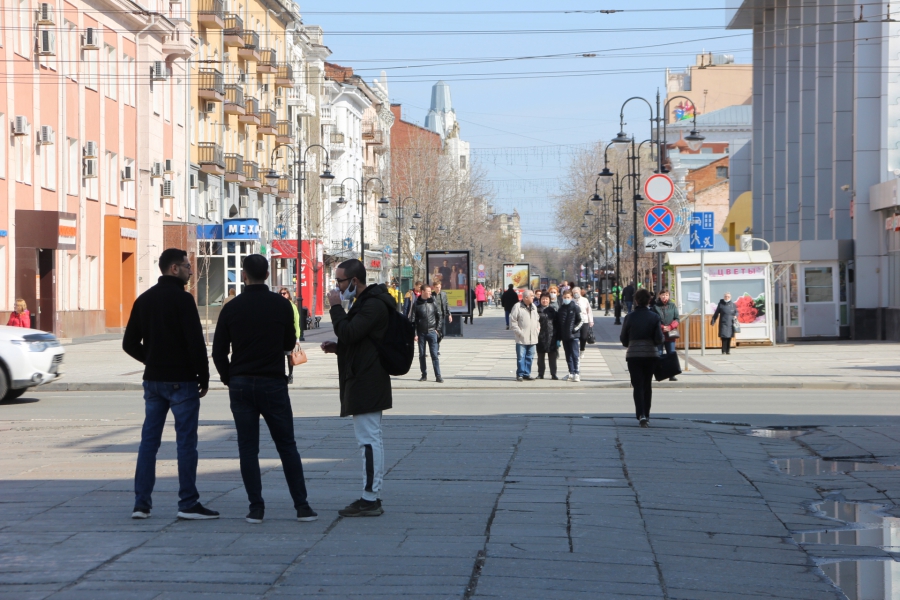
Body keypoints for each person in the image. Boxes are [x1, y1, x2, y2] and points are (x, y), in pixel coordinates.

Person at [213, 256, 317, 524]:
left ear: (244, 275)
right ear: (268, 274)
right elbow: (288, 342)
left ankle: (256, 508)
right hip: (273, 381)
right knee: (287, 445)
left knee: (248, 448)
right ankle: (302, 506)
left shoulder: (231, 308)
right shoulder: (281, 305)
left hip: (241, 383)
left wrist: (229, 378)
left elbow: (218, 351)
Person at [123, 248, 218, 521]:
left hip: (153, 381)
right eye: (187, 266)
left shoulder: (144, 299)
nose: (191, 271)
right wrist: (204, 376)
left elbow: (129, 343)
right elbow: (195, 343)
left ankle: (141, 504)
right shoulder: (183, 299)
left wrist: (152, 360)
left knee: (148, 443)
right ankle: (188, 502)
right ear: (174, 268)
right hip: (182, 381)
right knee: (186, 443)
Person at [321, 258, 395, 517]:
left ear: (354, 281)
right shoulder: (365, 303)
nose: (337, 287)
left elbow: (350, 333)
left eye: (340, 281)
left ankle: (370, 497)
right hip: (364, 376)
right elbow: (358, 340)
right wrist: (339, 349)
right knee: (369, 438)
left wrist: (335, 308)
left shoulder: (372, 304)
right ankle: (369, 495)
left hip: (368, 380)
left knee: (369, 440)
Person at [620, 288, 664, 428]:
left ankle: (641, 414)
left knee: (637, 385)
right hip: (650, 354)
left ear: (636, 300)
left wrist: (630, 343)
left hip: (634, 355)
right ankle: (647, 414)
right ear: (649, 300)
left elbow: (623, 339)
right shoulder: (654, 317)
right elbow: (659, 339)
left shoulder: (629, 317)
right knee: (647, 385)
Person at [411, 285, 443, 383]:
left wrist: (437, 329)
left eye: (430, 291)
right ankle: (424, 375)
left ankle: (438, 376)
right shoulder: (416, 304)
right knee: (421, 355)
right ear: (423, 292)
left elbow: (439, 316)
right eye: (428, 291)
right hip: (421, 333)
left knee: (434, 355)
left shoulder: (433, 302)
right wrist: (415, 334)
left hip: (432, 332)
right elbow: (412, 320)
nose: (430, 293)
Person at [509, 289, 540, 382]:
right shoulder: (517, 306)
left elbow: (537, 320)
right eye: (532, 296)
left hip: (533, 337)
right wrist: (519, 332)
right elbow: (513, 321)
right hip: (522, 337)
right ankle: (520, 374)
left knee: (530, 357)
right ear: (526, 297)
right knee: (521, 357)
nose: (533, 297)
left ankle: (527, 373)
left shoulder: (534, 306)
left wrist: (537, 329)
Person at [555, 289, 584, 382]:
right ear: (562, 298)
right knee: (568, 355)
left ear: (571, 298)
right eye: (565, 297)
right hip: (565, 336)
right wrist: (559, 337)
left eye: (568, 297)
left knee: (575, 355)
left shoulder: (576, 308)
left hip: (574, 336)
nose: (566, 299)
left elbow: (581, 320)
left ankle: (577, 373)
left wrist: (574, 329)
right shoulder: (561, 309)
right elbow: (559, 324)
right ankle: (571, 372)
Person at [653, 288, 680, 381]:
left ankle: (672, 374)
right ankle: (659, 374)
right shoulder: (655, 306)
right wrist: (662, 327)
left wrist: (671, 326)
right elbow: (653, 320)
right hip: (659, 333)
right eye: (663, 295)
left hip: (670, 334)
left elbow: (677, 319)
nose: (665, 297)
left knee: (671, 354)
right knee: (659, 354)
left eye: (667, 295)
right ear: (659, 296)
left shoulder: (672, 306)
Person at [279, 288, 301, 384]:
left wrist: (297, 337)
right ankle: (282, 374)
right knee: (280, 357)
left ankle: (290, 375)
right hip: (280, 336)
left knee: (289, 356)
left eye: (284, 293)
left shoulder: (292, 306)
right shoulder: (277, 305)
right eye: (281, 293)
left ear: (288, 294)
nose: (282, 295)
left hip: (288, 335)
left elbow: (296, 321)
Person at [536, 293, 558, 380]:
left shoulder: (553, 310)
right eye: (543, 299)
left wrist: (558, 338)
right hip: (540, 337)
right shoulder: (537, 310)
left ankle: (553, 374)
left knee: (552, 357)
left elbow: (557, 324)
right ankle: (540, 374)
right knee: (540, 357)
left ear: (549, 300)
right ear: (540, 300)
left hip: (552, 336)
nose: (545, 301)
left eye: (546, 299)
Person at [572, 287, 594, 352]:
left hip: (584, 321)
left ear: (580, 292)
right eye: (574, 293)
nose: (576, 294)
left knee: (583, 337)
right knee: (575, 337)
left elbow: (589, 311)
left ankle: (582, 349)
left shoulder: (585, 300)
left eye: (577, 292)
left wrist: (591, 320)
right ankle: (575, 350)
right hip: (575, 322)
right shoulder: (572, 301)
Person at [432, 281, 451, 354]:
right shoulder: (431, 295)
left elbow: (446, 304)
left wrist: (449, 314)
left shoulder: (443, 294)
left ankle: (437, 344)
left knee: (442, 333)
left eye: (439, 287)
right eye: (437, 287)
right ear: (434, 287)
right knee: (435, 333)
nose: (438, 289)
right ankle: (436, 349)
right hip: (433, 317)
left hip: (442, 316)